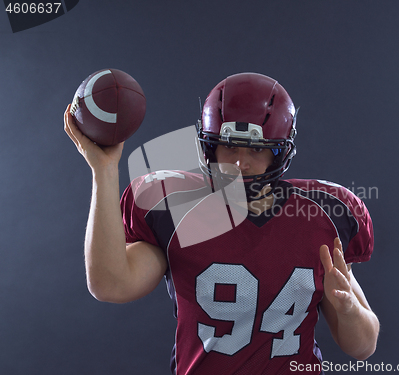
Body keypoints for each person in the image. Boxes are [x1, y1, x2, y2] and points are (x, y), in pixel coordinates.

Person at [64, 72, 379, 375]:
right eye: (229, 146)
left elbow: (363, 346)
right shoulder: (175, 209)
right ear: (208, 146)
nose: (241, 162)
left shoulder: (323, 215)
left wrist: (349, 309)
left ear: (280, 151)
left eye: (256, 148)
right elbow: (111, 284)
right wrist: (104, 171)